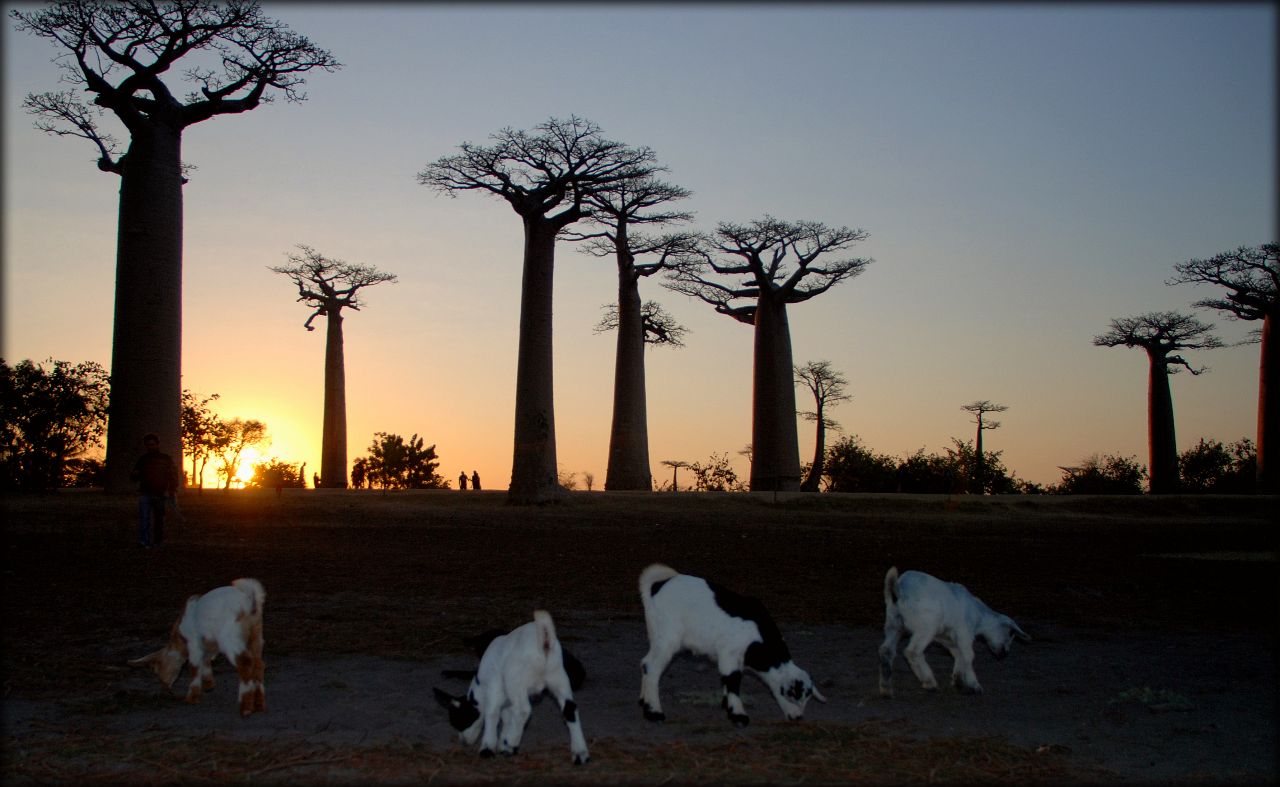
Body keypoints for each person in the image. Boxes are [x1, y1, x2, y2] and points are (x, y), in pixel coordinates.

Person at [131, 433, 178, 548]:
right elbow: (134, 477)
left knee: (159, 520)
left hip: (160, 494)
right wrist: (134, 475)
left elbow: (173, 475)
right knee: (144, 519)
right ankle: (144, 541)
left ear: (157, 444)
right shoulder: (143, 459)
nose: (150, 447)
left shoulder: (166, 459)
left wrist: (172, 490)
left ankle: (157, 542)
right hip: (145, 492)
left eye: (152, 444)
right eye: (148, 445)